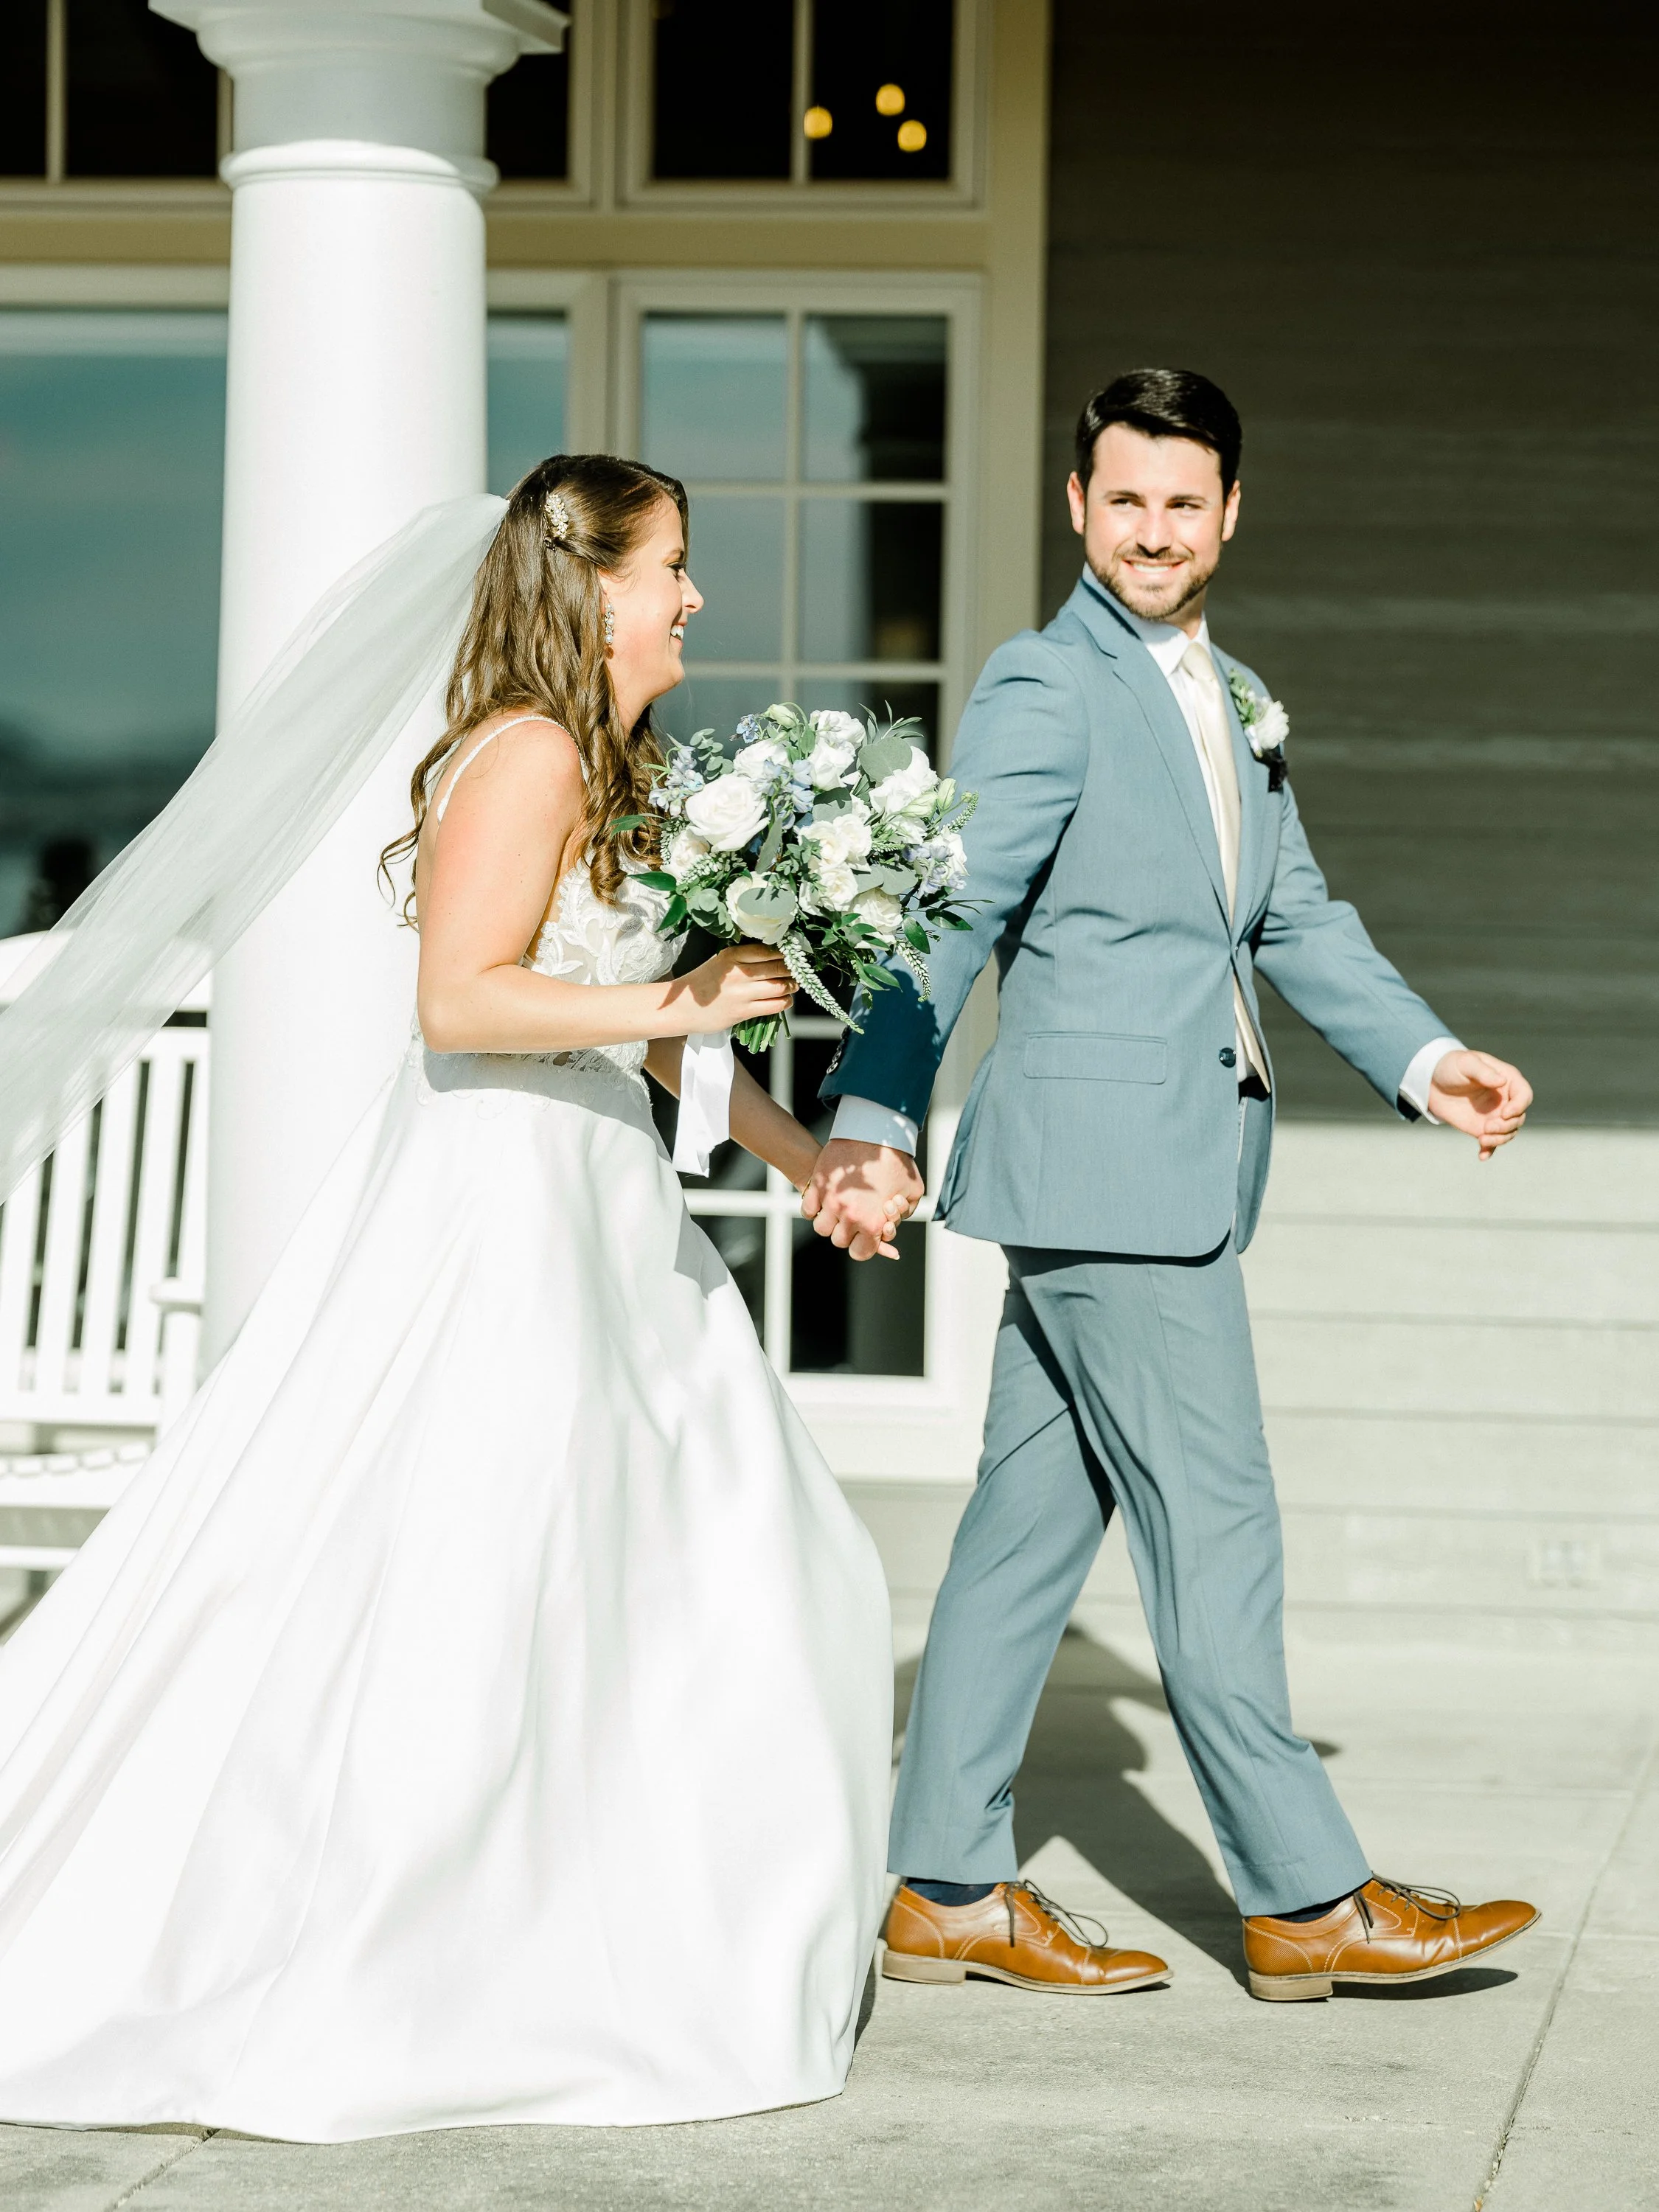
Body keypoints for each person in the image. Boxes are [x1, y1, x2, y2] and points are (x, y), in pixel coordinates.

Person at [0, 455, 892, 2138]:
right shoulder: (530, 751)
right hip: (505, 1205)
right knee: (493, 1585)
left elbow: (646, 1026)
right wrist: (684, 1000)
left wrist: (799, 1156)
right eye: (671, 568)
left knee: (731, 1555)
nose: (693, 598)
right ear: (594, 590)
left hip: (604, 1202)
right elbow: (464, 1004)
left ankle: (631, 1923)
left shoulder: (619, 767)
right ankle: (433, 1949)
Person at [802, 368, 1540, 2002]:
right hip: (1115, 1177)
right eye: (1124, 500)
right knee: (1217, 1522)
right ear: (1076, 505)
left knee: (1025, 1533)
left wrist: (1427, 1061)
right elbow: (950, 910)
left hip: (1141, 1170)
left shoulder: (1237, 693)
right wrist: (874, 1111)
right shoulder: (1044, 682)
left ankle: (944, 1889)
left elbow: (1292, 916)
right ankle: (1309, 1897)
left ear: (1229, 515)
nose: (1152, 532)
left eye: (1182, 504)